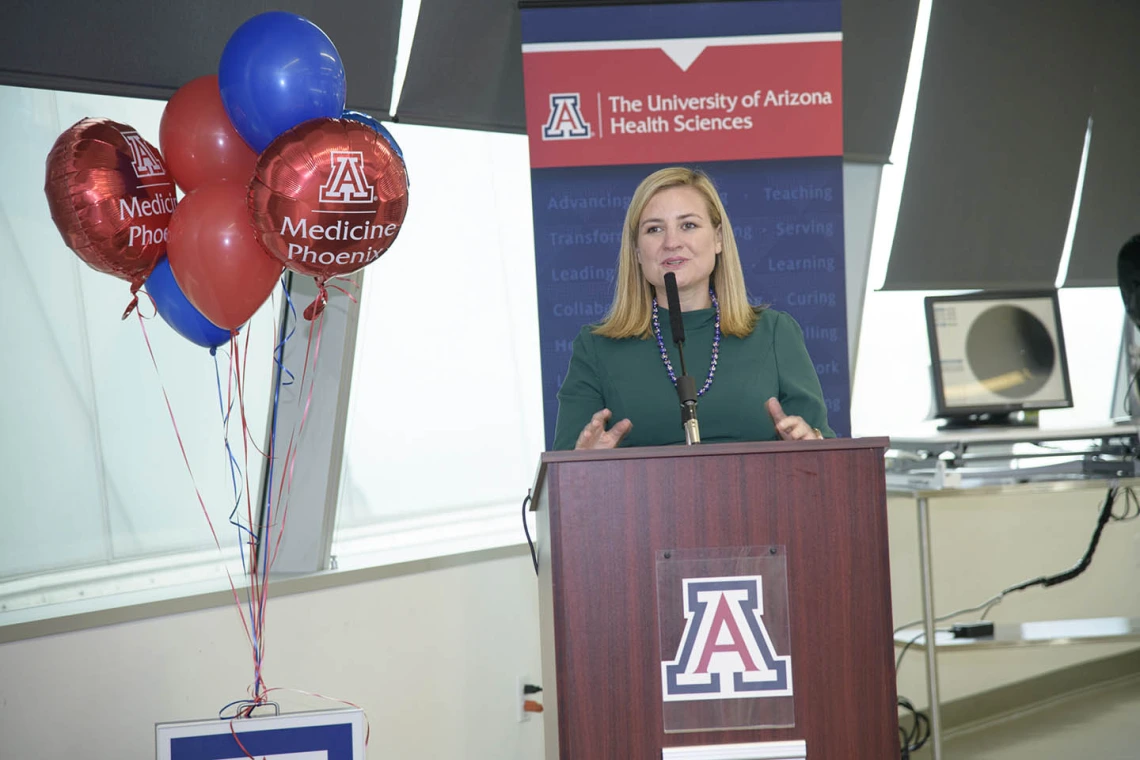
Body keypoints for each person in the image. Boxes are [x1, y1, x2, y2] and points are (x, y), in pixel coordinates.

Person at [552, 166, 835, 450]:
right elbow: (563, 474)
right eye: (654, 229)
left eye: (688, 225)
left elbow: (826, 451)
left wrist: (811, 443)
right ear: (637, 250)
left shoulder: (774, 333)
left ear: (718, 238)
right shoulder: (596, 348)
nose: (671, 242)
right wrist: (586, 462)